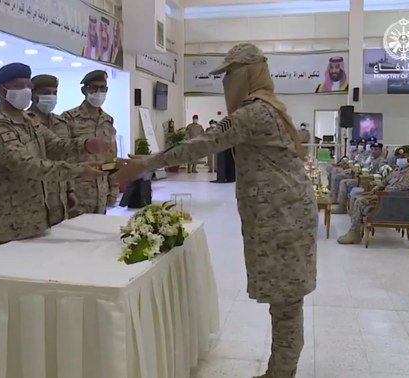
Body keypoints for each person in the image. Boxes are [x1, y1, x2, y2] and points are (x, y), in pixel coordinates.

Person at [114, 43, 317, 378]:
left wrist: (146, 164)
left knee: (286, 303)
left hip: (282, 218)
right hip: (284, 213)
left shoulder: (253, 112)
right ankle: (282, 369)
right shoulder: (271, 106)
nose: (226, 83)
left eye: (230, 75)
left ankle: (281, 373)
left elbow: (204, 144)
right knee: (286, 300)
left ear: (249, 74)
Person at [0, 63, 107, 252]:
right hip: (3, 226)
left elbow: (55, 145)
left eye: (29, 86)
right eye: (20, 86)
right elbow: (28, 166)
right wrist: (80, 171)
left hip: (31, 221)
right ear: (3, 89)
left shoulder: (28, 121)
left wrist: (85, 144)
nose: (27, 91)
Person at [61, 70, 119, 215]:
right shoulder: (69, 118)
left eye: (103, 88)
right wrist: (68, 191)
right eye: (94, 88)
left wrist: (113, 189)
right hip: (78, 194)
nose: (98, 92)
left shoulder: (107, 121)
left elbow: (111, 158)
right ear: (84, 90)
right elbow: (63, 158)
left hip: (101, 193)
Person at [337, 145, 409, 244]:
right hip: (385, 196)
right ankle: (355, 231)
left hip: (393, 200)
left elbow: (401, 188)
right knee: (356, 196)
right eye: (399, 158)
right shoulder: (399, 169)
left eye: (404, 157)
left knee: (360, 201)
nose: (401, 160)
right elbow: (386, 180)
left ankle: (354, 234)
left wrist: (381, 193)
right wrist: (378, 187)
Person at [28, 74, 77, 226]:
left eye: (54, 93)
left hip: (59, 196)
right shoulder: (25, 123)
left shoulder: (61, 123)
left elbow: (66, 159)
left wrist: (70, 190)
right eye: (45, 93)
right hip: (34, 198)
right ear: (32, 95)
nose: (51, 97)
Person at [333, 142, 386, 213]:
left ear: (380, 150)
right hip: (360, 179)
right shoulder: (370, 158)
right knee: (343, 182)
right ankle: (341, 206)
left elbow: (380, 174)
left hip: (369, 182)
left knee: (344, 182)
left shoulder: (382, 161)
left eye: (376, 149)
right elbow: (361, 167)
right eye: (372, 149)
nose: (373, 151)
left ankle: (342, 207)